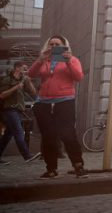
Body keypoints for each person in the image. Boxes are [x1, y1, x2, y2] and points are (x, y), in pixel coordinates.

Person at [28, 34, 88, 178]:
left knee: (68, 134)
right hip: (44, 103)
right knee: (48, 137)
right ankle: (51, 169)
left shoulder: (72, 60)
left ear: (64, 46)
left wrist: (68, 61)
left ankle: (78, 166)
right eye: (51, 44)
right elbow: (31, 74)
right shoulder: (44, 60)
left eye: (57, 44)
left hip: (65, 101)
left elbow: (78, 77)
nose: (54, 46)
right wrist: (40, 60)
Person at [0, 62, 41, 164]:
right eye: (24, 68)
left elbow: (33, 92)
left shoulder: (23, 80)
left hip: (18, 110)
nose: (26, 70)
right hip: (8, 109)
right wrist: (16, 87)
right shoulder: (7, 79)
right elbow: (2, 95)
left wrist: (28, 81)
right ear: (17, 68)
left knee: (8, 135)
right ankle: (27, 156)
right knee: (19, 132)